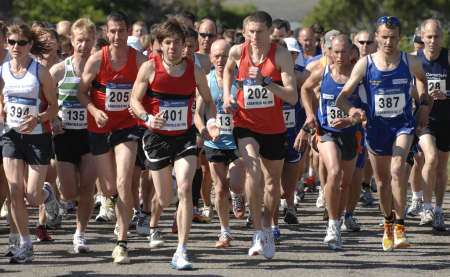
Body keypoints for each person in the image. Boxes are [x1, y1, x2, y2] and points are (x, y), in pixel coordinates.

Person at [336, 16, 429, 251]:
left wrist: (423, 107)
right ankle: (388, 222)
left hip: (403, 125)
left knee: (398, 169)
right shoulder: (365, 65)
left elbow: (422, 82)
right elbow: (342, 98)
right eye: (384, 37)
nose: (389, 41)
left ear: (400, 38)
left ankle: (400, 227)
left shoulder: (411, 61)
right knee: (383, 182)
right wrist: (354, 111)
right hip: (376, 128)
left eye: (393, 37)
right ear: (377, 37)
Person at [130, 19, 217, 270]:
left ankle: (181, 249)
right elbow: (134, 100)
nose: (173, 47)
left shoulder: (194, 70)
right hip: (156, 138)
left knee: (185, 188)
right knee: (166, 196)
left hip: (184, 136)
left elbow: (209, 101)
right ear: (161, 45)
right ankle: (154, 218)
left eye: (177, 43)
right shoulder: (149, 68)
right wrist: (147, 117)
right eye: (168, 43)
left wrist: (210, 121)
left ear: (184, 45)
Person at [223, 11, 297, 259]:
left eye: (260, 32)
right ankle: (257, 232)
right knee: (252, 169)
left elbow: (292, 96)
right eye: (250, 32)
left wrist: (266, 81)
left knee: (272, 183)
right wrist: (227, 95)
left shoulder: (281, 55)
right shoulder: (237, 51)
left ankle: (266, 226)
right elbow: (227, 71)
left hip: (274, 128)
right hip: (245, 123)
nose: (254, 36)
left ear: (269, 32)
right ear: (244, 33)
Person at [77, 11, 147, 264]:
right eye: (113, 31)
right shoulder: (97, 60)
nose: (117, 36)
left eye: (121, 31)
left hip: (127, 127)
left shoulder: (139, 60)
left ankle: (122, 241)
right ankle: (120, 213)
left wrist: (141, 107)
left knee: (123, 180)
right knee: (109, 188)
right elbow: (81, 93)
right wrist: (95, 111)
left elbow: (149, 89)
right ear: (107, 33)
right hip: (99, 128)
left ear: (129, 32)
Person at [0, 23, 59, 263]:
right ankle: (25, 243)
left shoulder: (40, 71)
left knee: (31, 196)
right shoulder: (2, 70)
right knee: (14, 191)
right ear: (6, 43)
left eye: (22, 43)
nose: (16, 47)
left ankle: (47, 194)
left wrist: (38, 117)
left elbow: (54, 108)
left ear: (30, 45)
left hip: (37, 137)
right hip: (11, 136)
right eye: (12, 42)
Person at [301, 34, 361, 250]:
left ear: (352, 52)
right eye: (335, 51)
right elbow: (305, 89)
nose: (339, 56)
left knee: (345, 182)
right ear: (329, 52)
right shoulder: (323, 71)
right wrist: (310, 114)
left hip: (351, 134)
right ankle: (332, 227)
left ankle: (339, 217)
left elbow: (365, 111)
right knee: (334, 172)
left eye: (344, 51)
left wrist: (352, 118)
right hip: (326, 132)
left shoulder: (358, 76)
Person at [49, 18, 97, 253]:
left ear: (94, 40)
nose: (84, 45)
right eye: (80, 40)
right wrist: (53, 118)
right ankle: (57, 196)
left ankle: (80, 233)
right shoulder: (59, 70)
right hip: (65, 136)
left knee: (88, 187)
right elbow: (45, 101)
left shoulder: (98, 70)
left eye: (88, 40)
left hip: (90, 135)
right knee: (69, 193)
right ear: (72, 40)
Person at [414, 18, 450, 231]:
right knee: (431, 157)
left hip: (447, 119)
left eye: (436, 36)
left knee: (441, 167)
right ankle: (426, 207)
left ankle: (438, 209)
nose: (433, 41)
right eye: (429, 36)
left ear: (442, 38)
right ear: (422, 37)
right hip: (425, 119)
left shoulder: (448, 58)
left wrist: (446, 94)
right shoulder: (414, 61)